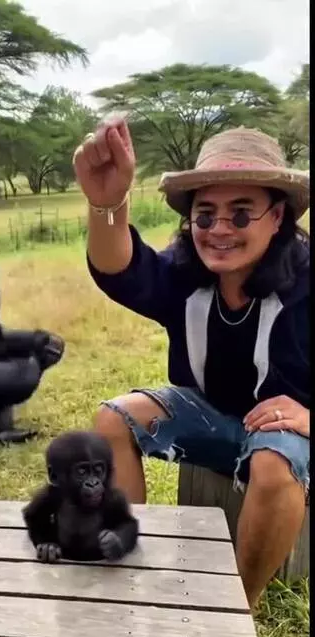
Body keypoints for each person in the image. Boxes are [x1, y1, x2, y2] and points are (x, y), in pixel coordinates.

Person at [72, 121, 309, 610]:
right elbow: (121, 270)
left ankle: (241, 602)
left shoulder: (305, 282)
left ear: (277, 217)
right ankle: (126, 564)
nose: (220, 229)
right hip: (214, 414)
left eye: (241, 215)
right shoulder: (186, 277)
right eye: (206, 215)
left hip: (286, 437)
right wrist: (107, 204)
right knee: (113, 419)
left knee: (272, 463)